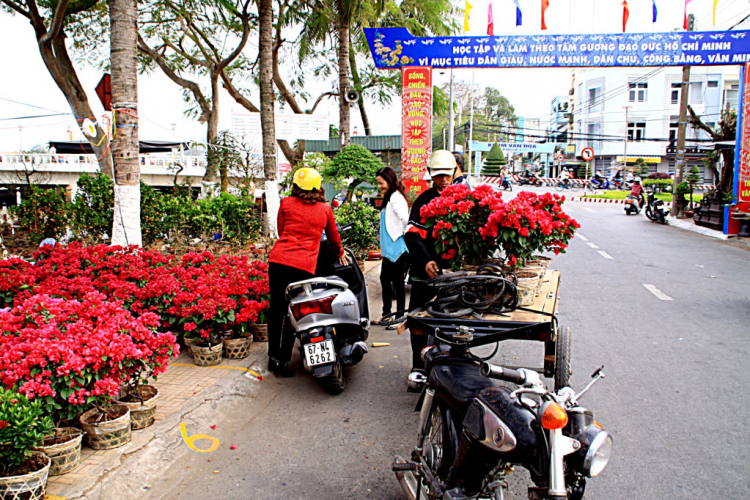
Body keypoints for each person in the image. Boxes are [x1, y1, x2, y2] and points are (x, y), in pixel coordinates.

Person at [267, 168, 349, 377]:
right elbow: (333, 238)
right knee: (294, 311)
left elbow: (280, 231)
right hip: (303, 267)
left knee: (277, 309)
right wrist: (340, 253)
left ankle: (272, 357)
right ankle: (284, 361)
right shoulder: (325, 209)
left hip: (278, 261)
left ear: (295, 186)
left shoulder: (286, 203)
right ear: (319, 187)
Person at [404, 150, 456, 374]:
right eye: (438, 175)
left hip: (455, 274)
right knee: (418, 321)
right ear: (430, 175)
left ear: (454, 173)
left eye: (447, 174)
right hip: (423, 273)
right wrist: (426, 261)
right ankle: (418, 365)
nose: (443, 179)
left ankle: (455, 365)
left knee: (455, 321)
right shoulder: (423, 200)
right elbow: (412, 235)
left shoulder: (465, 199)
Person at [375, 167, 410, 324]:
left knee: (396, 283)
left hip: (396, 247)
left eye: (381, 183)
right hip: (390, 248)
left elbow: (405, 220)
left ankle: (398, 316)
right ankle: (388, 314)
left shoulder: (396, 198)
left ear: (389, 181)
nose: (379, 186)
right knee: (385, 280)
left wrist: (401, 236)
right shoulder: (390, 197)